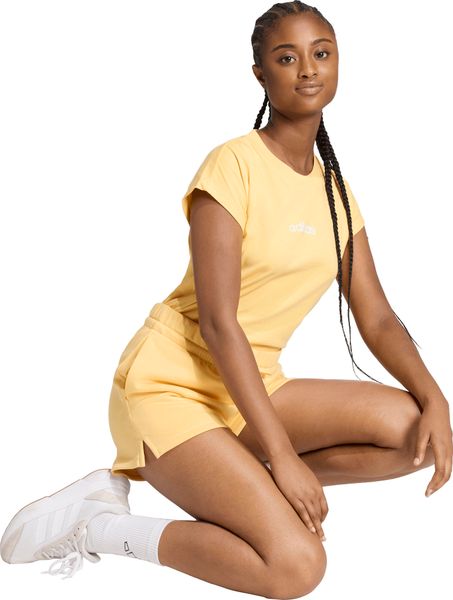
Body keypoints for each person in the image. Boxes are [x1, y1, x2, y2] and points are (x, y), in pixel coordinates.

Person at [1, 1, 452, 596]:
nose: (308, 69)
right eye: (286, 58)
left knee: (415, 431)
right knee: (297, 568)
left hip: (253, 386)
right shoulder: (232, 165)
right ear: (260, 74)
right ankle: (101, 527)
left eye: (321, 53)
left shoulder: (335, 192)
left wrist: (437, 399)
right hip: (171, 386)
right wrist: (283, 457)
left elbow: (378, 318)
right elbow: (218, 324)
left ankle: (243, 476)